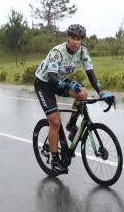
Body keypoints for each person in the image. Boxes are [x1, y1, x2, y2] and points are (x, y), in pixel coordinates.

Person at [34, 23, 114, 174]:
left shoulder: (83, 52)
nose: (76, 42)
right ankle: (55, 159)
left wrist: (102, 93)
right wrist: (65, 85)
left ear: (82, 40)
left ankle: (71, 124)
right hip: (44, 83)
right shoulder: (58, 52)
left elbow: (91, 74)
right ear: (68, 38)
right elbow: (51, 77)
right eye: (73, 38)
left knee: (82, 93)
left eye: (79, 39)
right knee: (55, 121)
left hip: (60, 81)